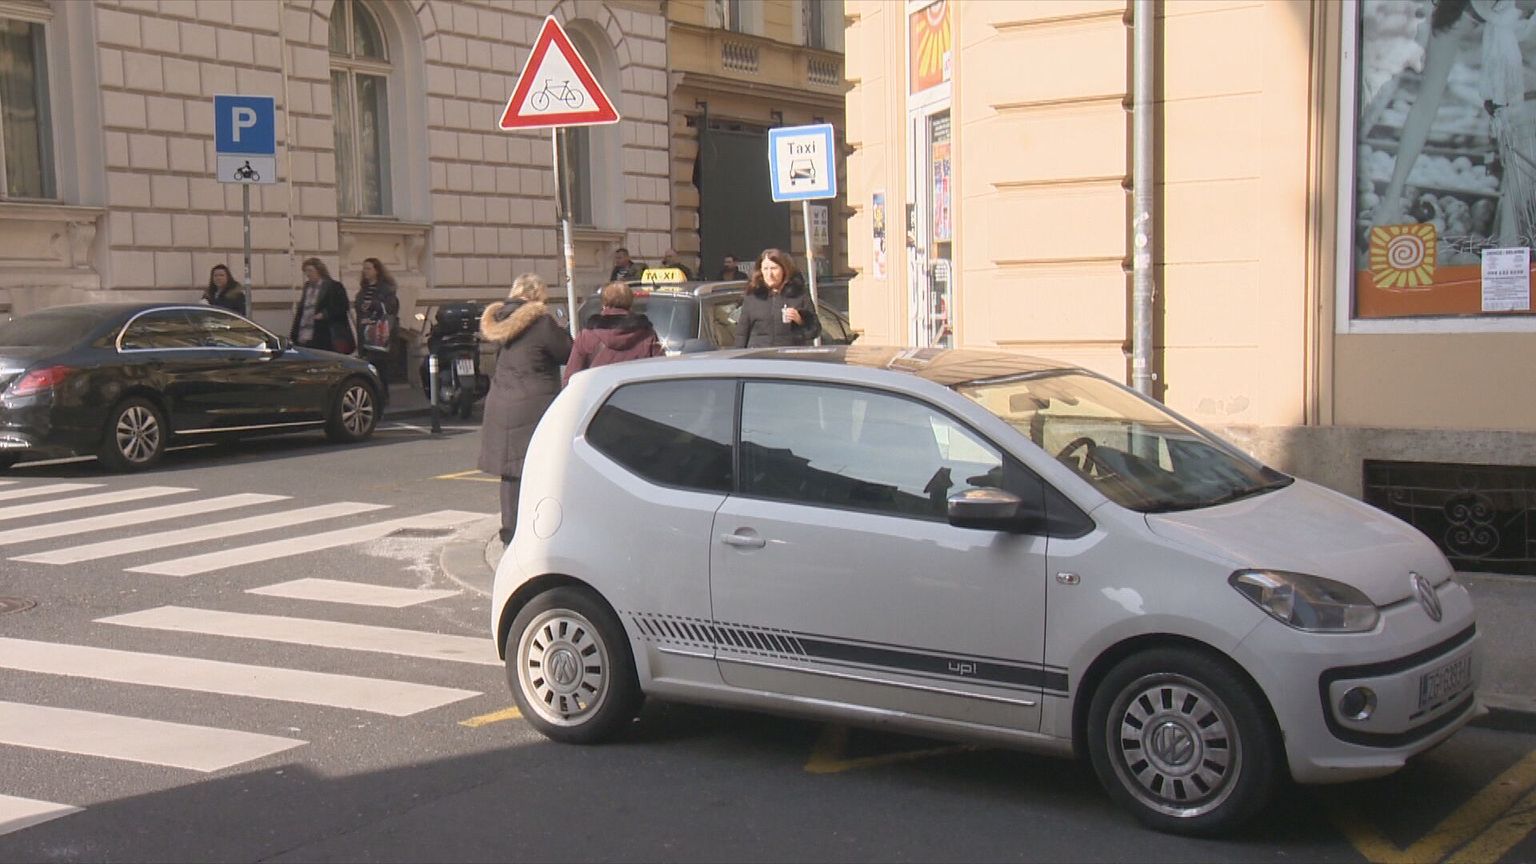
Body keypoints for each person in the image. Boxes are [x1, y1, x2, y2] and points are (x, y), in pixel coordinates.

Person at [478, 273, 575, 545]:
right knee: (540, 468)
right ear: (536, 294)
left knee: (510, 472)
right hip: (534, 403)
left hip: (501, 401)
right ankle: (537, 529)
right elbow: (566, 351)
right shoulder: (541, 322)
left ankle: (510, 531)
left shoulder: (498, 319)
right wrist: (564, 328)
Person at [563, 281, 664, 386]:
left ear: (604, 303)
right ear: (630, 303)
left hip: (598, 394)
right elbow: (660, 375)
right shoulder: (647, 335)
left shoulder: (586, 336)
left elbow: (570, 380)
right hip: (637, 394)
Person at [734, 248, 821, 348]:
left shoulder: (798, 294)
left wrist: (799, 319)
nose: (769, 274)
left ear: (784, 270)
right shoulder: (753, 296)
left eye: (774, 268)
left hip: (790, 354)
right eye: (765, 269)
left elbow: (815, 330)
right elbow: (742, 333)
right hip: (759, 354)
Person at [353, 257, 400, 388]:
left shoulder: (386, 289)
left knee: (380, 367)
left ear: (377, 270)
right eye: (364, 269)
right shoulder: (363, 290)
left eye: (368, 268)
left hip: (379, 335)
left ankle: (383, 393)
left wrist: (375, 305)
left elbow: (391, 308)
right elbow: (359, 308)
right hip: (365, 332)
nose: (365, 271)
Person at [290, 257, 353, 353]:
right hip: (305, 333)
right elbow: (302, 311)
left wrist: (325, 314)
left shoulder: (334, 286)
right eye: (306, 271)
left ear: (319, 270)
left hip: (325, 334)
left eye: (310, 270)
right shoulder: (307, 287)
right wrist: (294, 333)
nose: (308, 274)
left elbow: (342, 306)